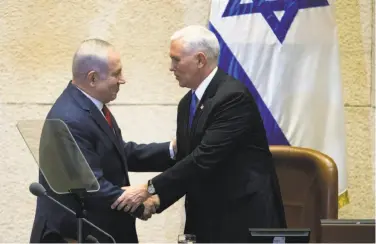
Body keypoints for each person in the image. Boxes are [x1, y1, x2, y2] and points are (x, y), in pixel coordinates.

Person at [111, 25, 287, 243]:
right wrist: (157, 201)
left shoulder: (232, 98)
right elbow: (187, 161)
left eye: (176, 60)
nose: (170, 67)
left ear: (200, 60)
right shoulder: (187, 104)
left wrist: (148, 188)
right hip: (207, 218)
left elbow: (203, 159)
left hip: (242, 220)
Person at [30, 38, 175, 243]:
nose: (122, 80)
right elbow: (91, 187)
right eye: (116, 74)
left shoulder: (89, 106)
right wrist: (139, 204)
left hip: (100, 230)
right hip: (77, 235)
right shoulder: (70, 118)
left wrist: (171, 150)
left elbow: (117, 152)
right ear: (93, 78)